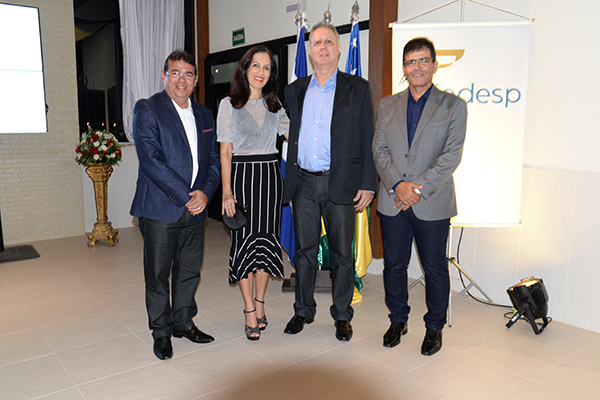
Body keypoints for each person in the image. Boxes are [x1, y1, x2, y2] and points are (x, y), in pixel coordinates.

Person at [372, 37, 467, 356]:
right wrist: (398, 184)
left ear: (435, 65)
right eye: (411, 61)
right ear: (404, 68)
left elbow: (451, 156)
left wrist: (415, 189)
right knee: (394, 266)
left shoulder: (454, 106)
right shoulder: (388, 105)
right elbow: (379, 149)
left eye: (423, 60)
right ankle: (397, 320)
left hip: (432, 202)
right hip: (392, 200)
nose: (417, 67)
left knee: (435, 268)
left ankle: (434, 326)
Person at [282, 21, 377, 342]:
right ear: (309, 51)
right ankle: (303, 310)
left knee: (342, 255)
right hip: (304, 183)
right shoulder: (294, 90)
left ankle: (342, 314)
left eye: (328, 42)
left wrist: (368, 183)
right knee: (304, 253)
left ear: (338, 49)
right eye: (316, 42)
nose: (322, 47)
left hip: (342, 183)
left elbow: (367, 138)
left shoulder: (358, 88)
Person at [130, 49, 220, 360]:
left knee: (190, 270)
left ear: (196, 80)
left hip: (197, 209)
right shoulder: (148, 109)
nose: (182, 79)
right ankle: (161, 331)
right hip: (160, 208)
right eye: (175, 72)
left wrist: (205, 194)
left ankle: (183, 322)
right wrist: (187, 196)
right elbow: (152, 162)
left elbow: (213, 159)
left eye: (188, 74)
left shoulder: (205, 115)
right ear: (164, 76)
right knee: (158, 274)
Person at [217, 46, 289, 341]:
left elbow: (294, 134)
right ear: (245, 68)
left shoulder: (275, 104)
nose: (261, 72)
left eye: (267, 68)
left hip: (270, 179)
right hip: (242, 179)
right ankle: (249, 309)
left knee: (265, 244)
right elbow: (225, 153)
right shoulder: (229, 105)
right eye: (256, 66)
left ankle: (260, 302)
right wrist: (226, 191)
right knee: (244, 245)